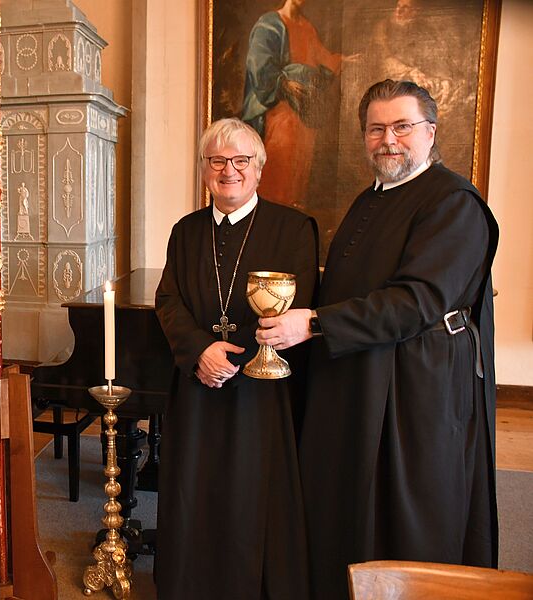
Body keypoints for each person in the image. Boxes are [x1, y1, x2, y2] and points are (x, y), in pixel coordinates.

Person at [257, 79, 499, 600]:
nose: (389, 139)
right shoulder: (371, 197)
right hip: (359, 370)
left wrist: (314, 323)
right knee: (346, 499)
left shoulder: (453, 202)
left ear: (430, 132)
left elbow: (417, 301)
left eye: (402, 126)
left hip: (417, 384)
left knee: (404, 509)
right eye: (376, 129)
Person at [154, 117, 317, 599]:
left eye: (241, 160)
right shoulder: (186, 231)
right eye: (218, 161)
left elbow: (296, 304)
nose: (229, 170)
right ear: (205, 169)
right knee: (193, 489)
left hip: (259, 389)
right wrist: (200, 351)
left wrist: (234, 358)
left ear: (259, 168)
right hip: (198, 381)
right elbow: (168, 300)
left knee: (251, 492)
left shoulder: (293, 228)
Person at [242, 0, 352, 209]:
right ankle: (270, 210)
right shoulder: (269, 24)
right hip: (279, 109)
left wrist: (341, 60)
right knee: (280, 160)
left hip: (302, 107)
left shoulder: (306, 26)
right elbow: (259, 66)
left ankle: (291, 211)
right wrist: (285, 84)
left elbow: (320, 57)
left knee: (300, 167)